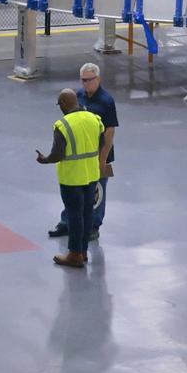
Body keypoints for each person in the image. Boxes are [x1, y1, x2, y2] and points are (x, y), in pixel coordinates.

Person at [36, 88, 108, 269]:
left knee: (74, 216)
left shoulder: (62, 125)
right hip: (91, 175)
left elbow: (58, 154)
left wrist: (44, 160)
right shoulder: (94, 119)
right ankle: (83, 252)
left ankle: (74, 254)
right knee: (87, 214)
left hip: (71, 179)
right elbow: (102, 143)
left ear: (63, 104)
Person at [50, 64, 119, 242]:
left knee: (97, 192)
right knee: (73, 190)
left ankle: (94, 226)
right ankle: (67, 222)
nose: (85, 83)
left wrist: (102, 160)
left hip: (98, 155)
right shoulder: (79, 96)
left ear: (98, 79)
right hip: (82, 154)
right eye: (83, 80)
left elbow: (110, 132)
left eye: (89, 80)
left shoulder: (106, 101)